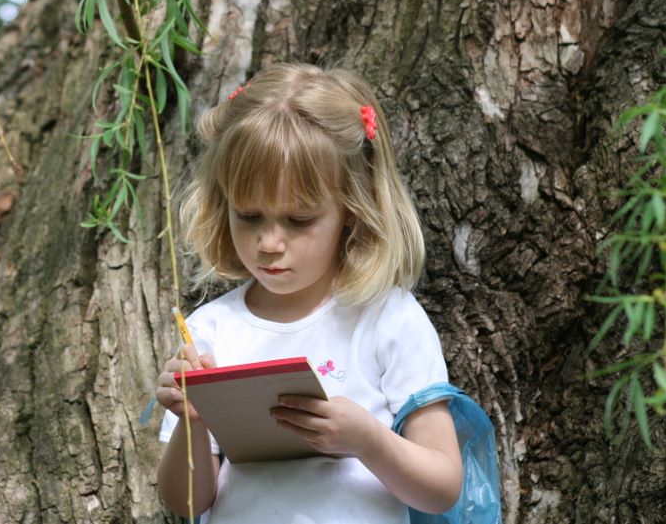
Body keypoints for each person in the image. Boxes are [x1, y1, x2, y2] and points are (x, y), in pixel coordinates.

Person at [155, 63, 463, 523]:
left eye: (299, 220)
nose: (269, 243)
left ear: (353, 210)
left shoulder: (386, 317)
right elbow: (186, 503)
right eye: (248, 216)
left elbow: (443, 488)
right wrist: (192, 423)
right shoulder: (211, 331)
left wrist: (369, 441)